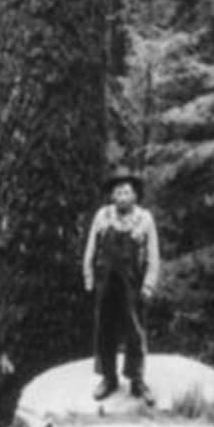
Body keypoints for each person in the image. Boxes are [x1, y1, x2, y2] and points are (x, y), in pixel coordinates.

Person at [83, 170, 160, 405]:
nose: (122, 196)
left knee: (135, 331)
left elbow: (154, 256)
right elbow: (90, 249)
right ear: (112, 196)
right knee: (105, 329)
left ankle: (137, 380)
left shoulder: (144, 219)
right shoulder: (103, 216)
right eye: (118, 192)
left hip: (133, 285)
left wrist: (148, 284)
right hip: (106, 283)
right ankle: (108, 378)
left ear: (135, 195)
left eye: (127, 192)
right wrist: (88, 276)